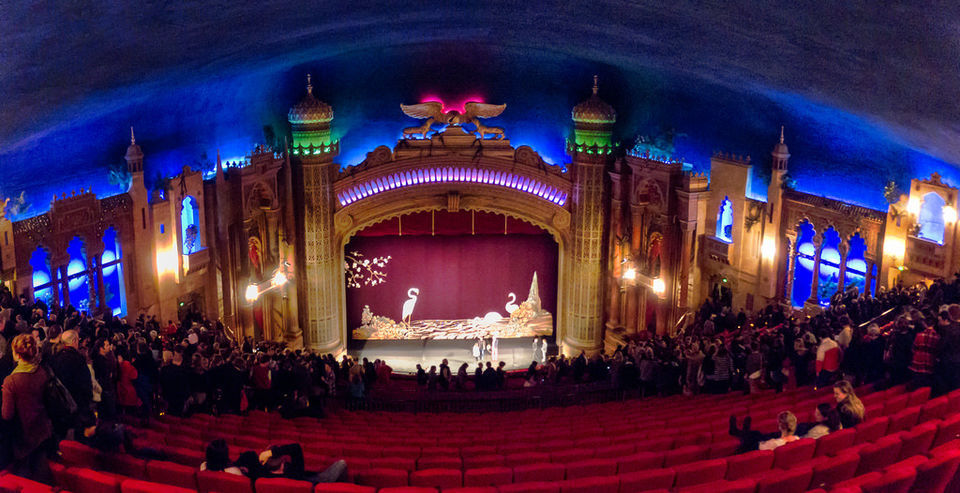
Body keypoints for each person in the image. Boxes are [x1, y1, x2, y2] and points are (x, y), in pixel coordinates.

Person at [2, 334, 54, 482]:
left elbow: (7, 414)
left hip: (23, 435)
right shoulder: (42, 372)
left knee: (24, 477)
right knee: (42, 473)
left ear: (17, 355)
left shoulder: (11, 381)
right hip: (42, 429)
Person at [203, 439, 348, 484]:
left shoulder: (256, 471)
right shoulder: (294, 474)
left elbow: (238, 461)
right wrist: (271, 452)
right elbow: (296, 448)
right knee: (341, 464)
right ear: (284, 460)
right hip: (312, 482)